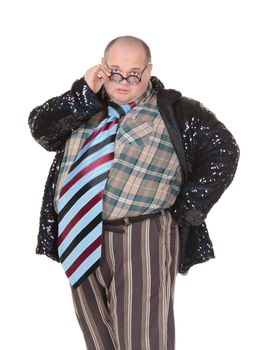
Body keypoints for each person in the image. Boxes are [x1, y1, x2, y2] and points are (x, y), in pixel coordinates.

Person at [28, 35, 240, 350]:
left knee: (142, 341)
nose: (123, 81)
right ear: (102, 68)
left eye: (133, 73)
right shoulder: (86, 103)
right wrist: (83, 91)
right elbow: (41, 129)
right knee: (101, 342)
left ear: (148, 70)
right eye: (115, 72)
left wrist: (184, 212)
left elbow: (224, 152)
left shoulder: (177, 111)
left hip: (141, 236)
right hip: (78, 236)